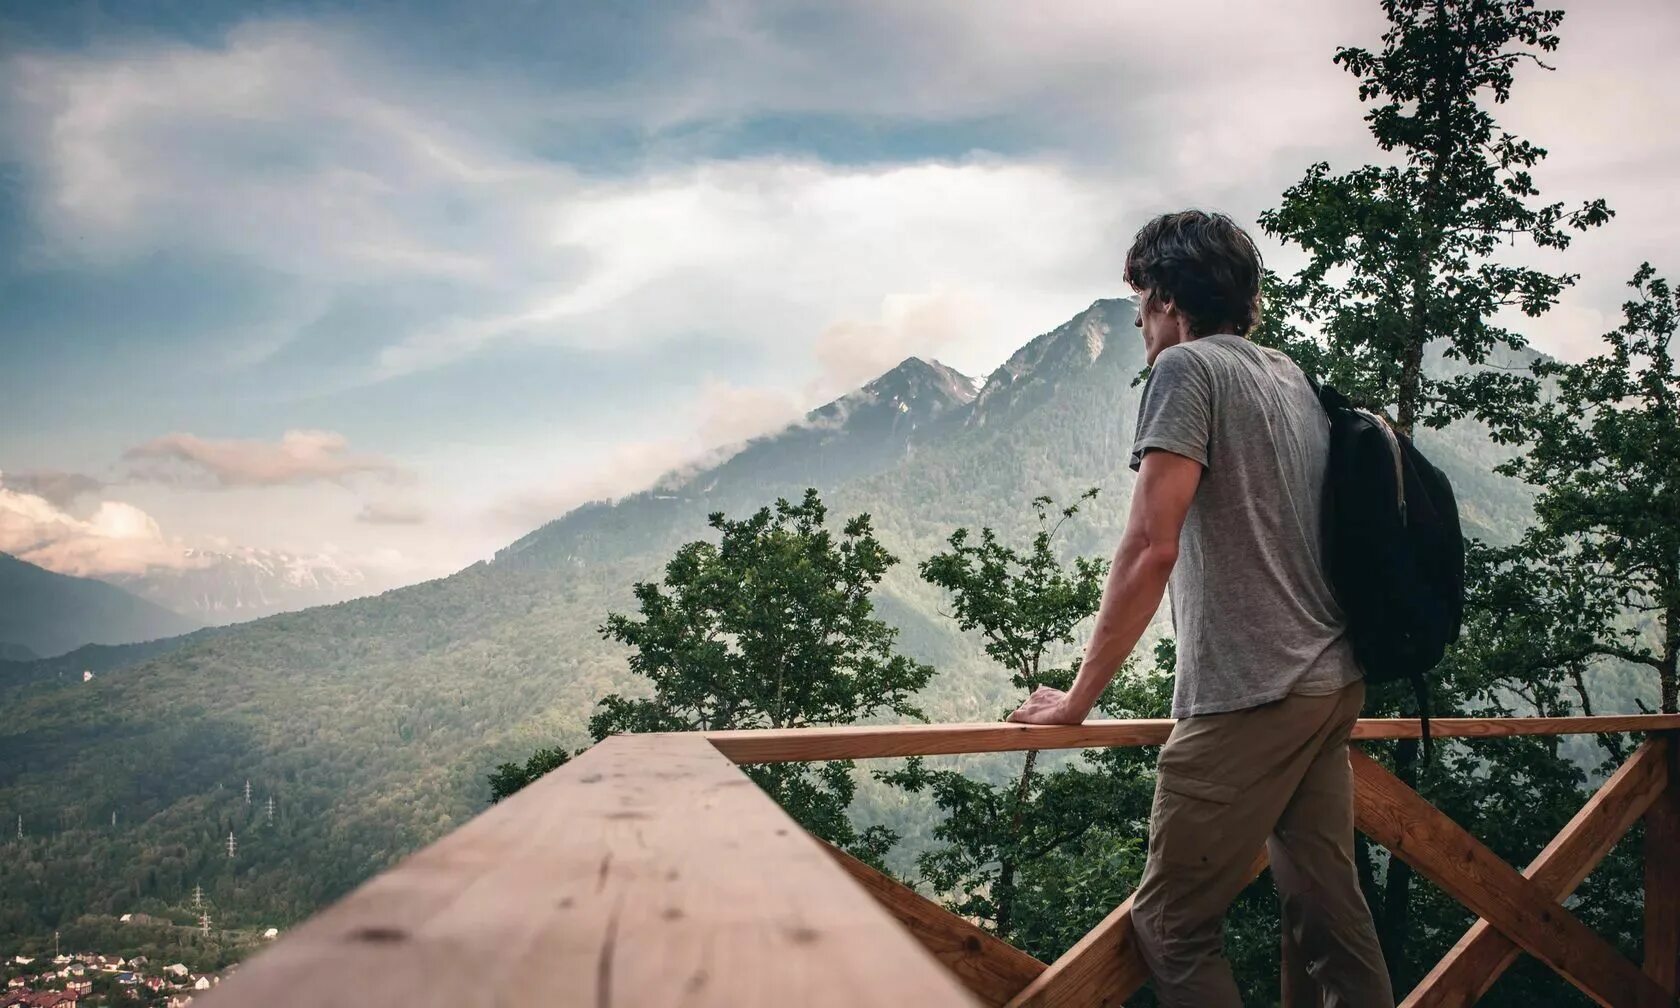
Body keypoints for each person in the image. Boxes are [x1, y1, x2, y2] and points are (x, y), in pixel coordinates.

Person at [1007, 210, 1394, 1007]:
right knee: (1328, 916)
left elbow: (1151, 544)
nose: (1141, 325)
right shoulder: (1284, 373)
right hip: (1330, 683)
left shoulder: (1186, 373)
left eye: (1141, 306)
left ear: (1168, 299)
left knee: (1173, 924)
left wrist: (1081, 699)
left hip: (1249, 693)